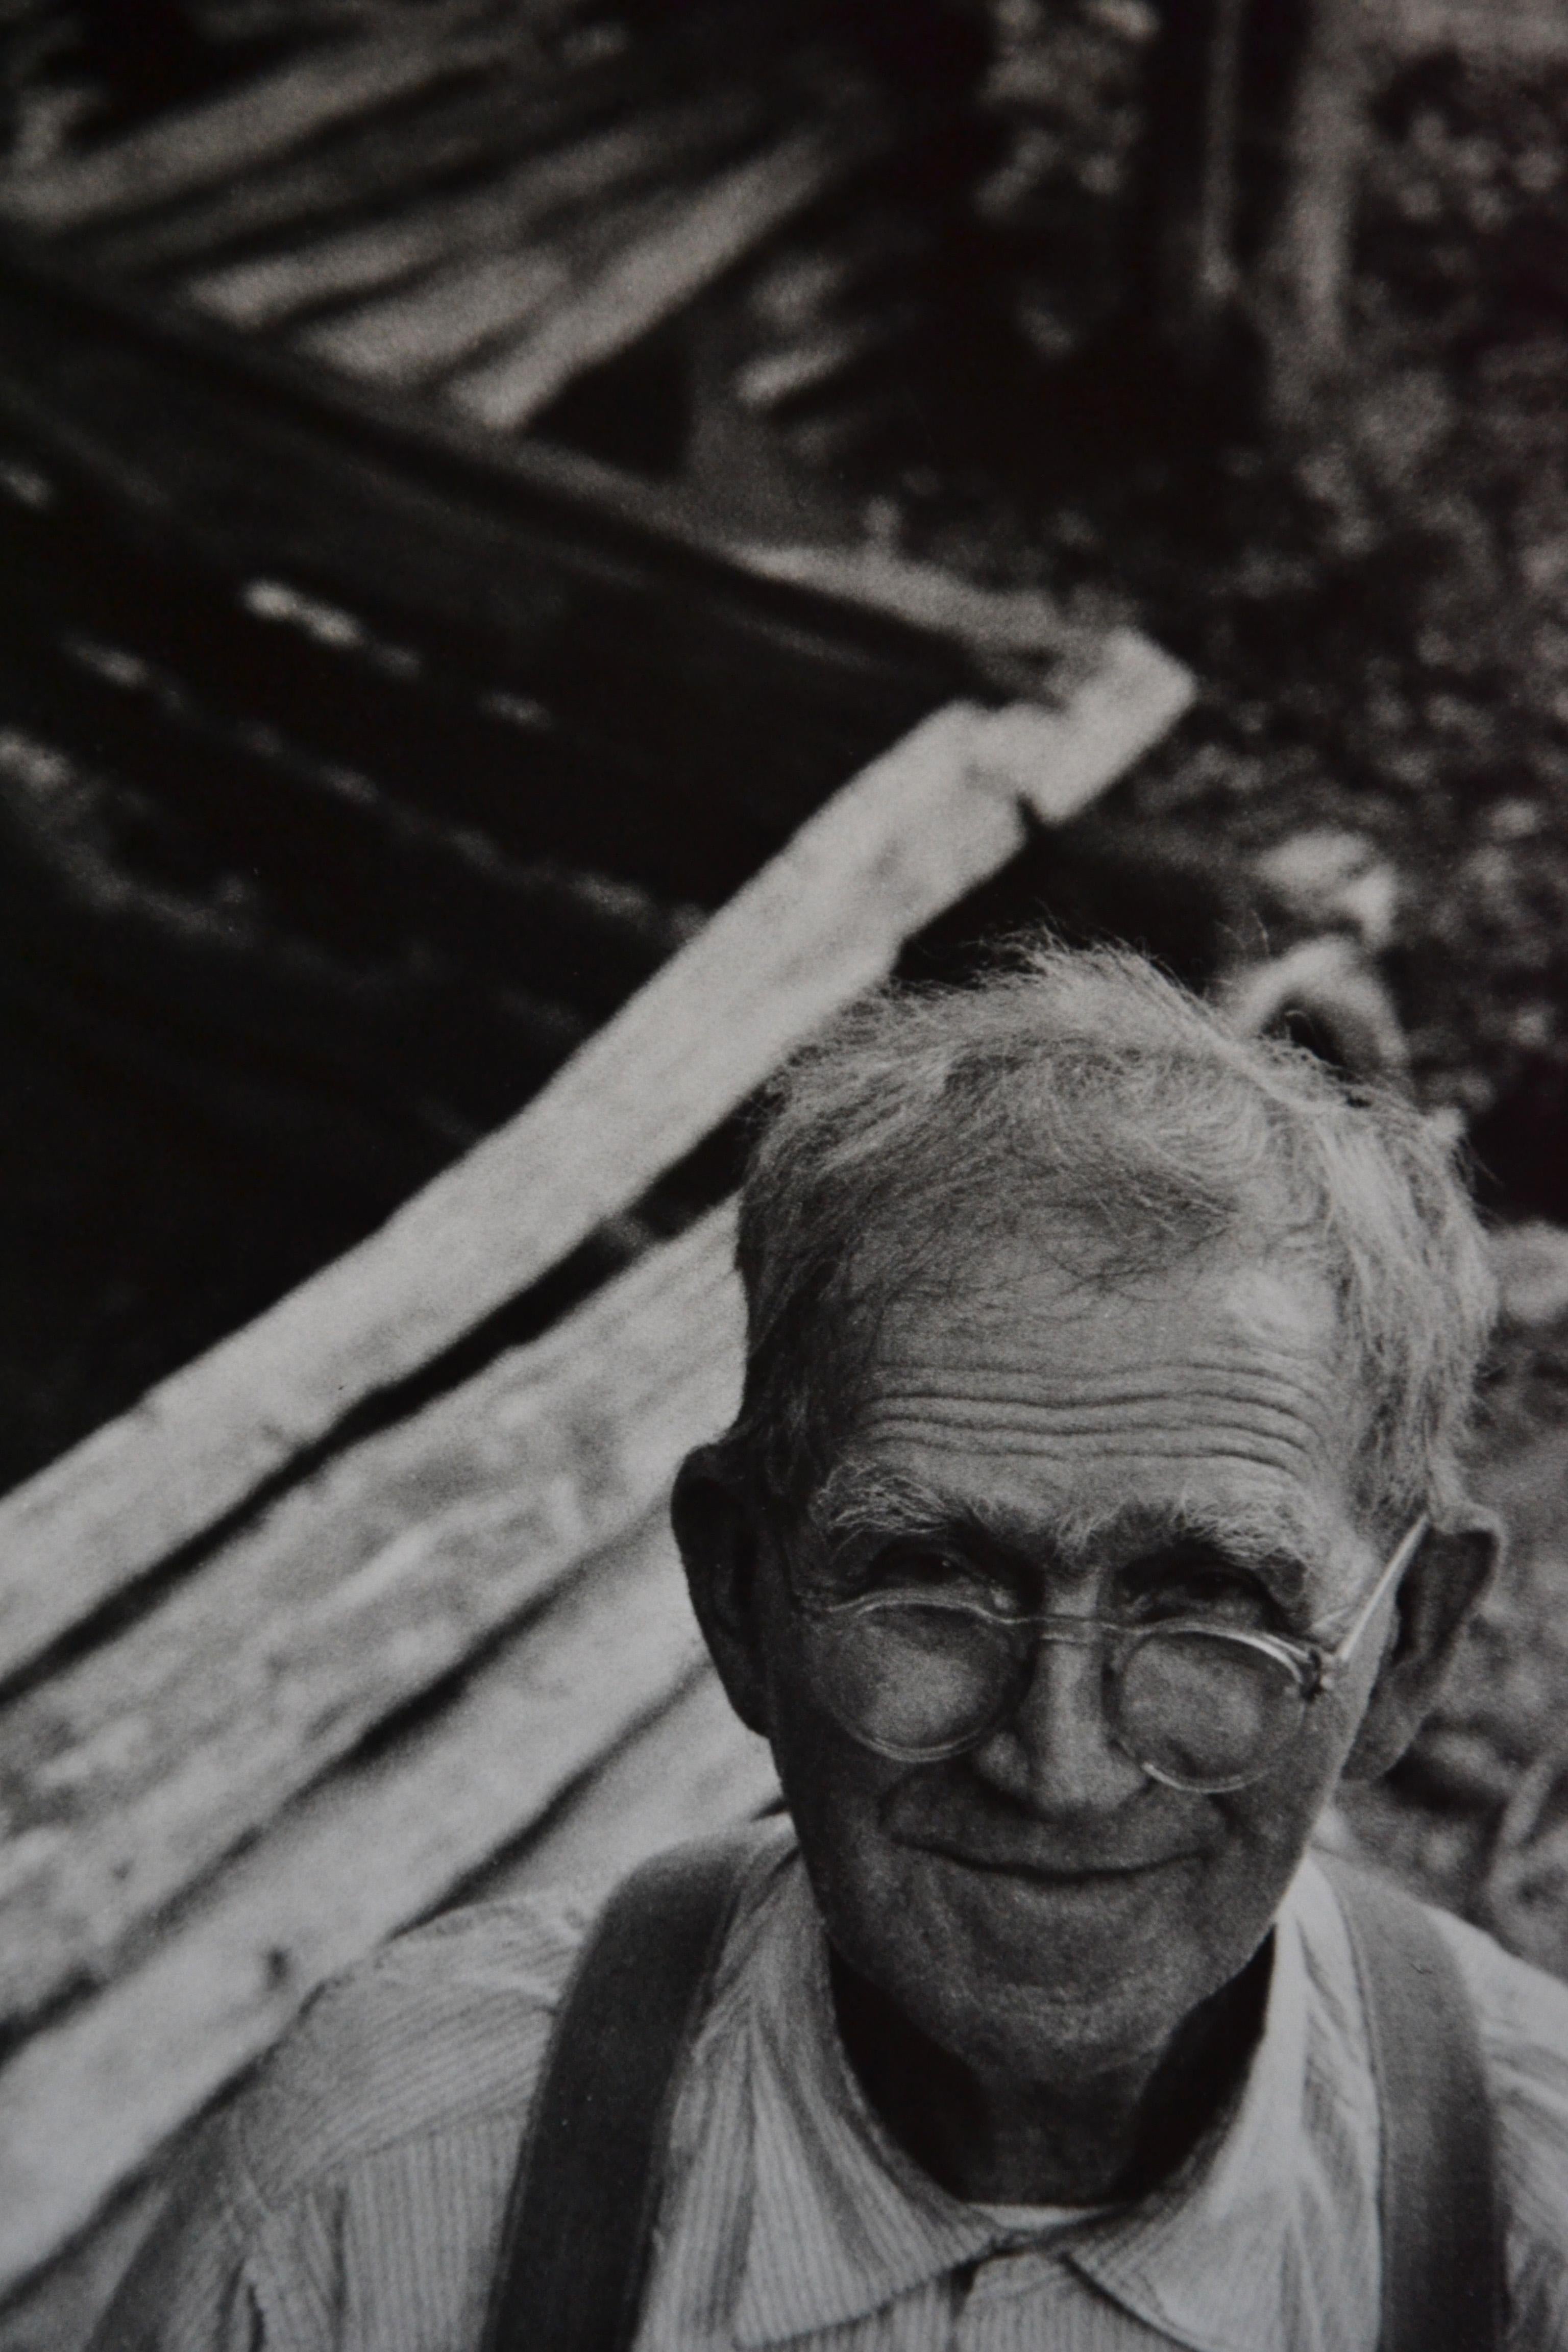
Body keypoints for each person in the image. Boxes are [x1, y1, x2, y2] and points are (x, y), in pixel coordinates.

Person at [95, 944, 1568, 2350]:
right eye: (929, 1580)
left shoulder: (1535, 2228)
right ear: (737, 1593)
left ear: (1414, 1644)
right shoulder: (389, 2181)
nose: (1058, 1766)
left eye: (1212, 1607)